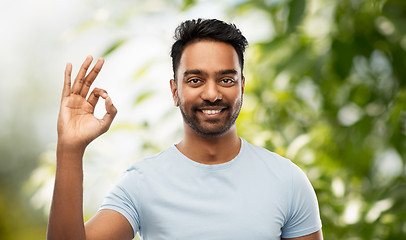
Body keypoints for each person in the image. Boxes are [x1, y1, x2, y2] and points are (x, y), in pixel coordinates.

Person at [47, 18, 323, 240]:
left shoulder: (288, 181)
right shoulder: (142, 183)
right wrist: (70, 149)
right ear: (174, 90)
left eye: (226, 79)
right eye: (195, 80)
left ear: (242, 86)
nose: (212, 93)